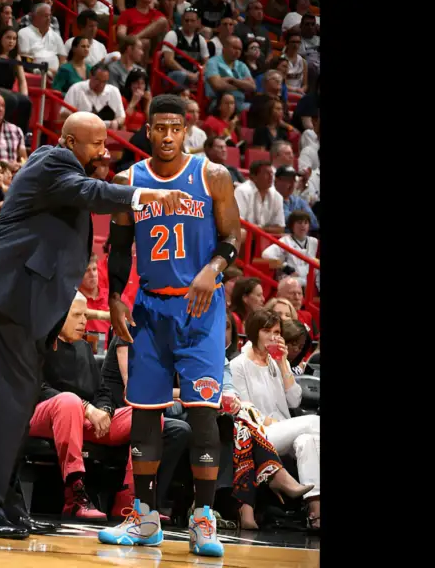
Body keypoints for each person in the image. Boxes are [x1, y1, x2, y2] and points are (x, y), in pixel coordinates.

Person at [0, 111, 192, 540]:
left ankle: (6, 505)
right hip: (7, 299)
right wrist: (147, 196)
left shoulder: (62, 172)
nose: (104, 151)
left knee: (14, 409)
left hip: (23, 307)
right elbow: (91, 192)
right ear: (69, 141)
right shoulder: (53, 162)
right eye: (95, 143)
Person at [99, 95, 242, 558]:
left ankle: (203, 520)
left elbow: (232, 239)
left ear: (186, 130)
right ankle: (145, 518)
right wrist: (116, 299)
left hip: (201, 311)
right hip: (150, 310)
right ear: (148, 131)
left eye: (174, 128)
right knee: (144, 415)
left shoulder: (212, 176)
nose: (166, 136)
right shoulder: (130, 180)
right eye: (158, 128)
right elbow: (118, 249)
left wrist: (214, 267)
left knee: (203, 414)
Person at [30, 294, 123, 520]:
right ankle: (75, 494)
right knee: (69, 401)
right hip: (41, 414)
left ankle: (131, 500)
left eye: (86, 315)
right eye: (77, 316)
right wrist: (87, 407)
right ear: (59, 316)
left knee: (145, 416)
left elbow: (102, 391)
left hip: (82, 419)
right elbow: (37, 388)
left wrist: (104, 411)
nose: (84, 321)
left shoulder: (83, 347)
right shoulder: (39, 342)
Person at [230, 308, 320, 530]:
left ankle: (315, 513)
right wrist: (281, 425)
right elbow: (247, 411)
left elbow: (295, 400)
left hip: (287, 430)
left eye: (277, 331)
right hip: (260, 434)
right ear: (253, 332)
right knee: (314, 422)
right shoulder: (239, 365)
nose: (273, 336)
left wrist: (283, 364)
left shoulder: (278, 361)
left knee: (307, 441)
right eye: (266, 330)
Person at [99, 333, 193, 518]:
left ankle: (154, 502)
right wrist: (183, 393)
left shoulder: (171, 340)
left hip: (148, 412)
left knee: (182, 430)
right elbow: (134, 386)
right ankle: (132, 499)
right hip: (116, 411)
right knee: (153, 420)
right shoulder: (129, 330)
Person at [0, 25, 33, 129]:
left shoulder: (16, 57)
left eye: (14, 39)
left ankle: (22, 133)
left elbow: (22, 81)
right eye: (8, 38)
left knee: (26, 102)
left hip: (8, 91)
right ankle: (2, 128)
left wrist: (24, 96)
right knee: (12, 99)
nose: (11, 41)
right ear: (1, 38)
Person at [261, 209, 318, 286]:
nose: (303, 225)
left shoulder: (314, 241)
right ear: (292, 225)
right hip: (290, 277)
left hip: (307, 276)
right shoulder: (285, 240)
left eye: (306, 223)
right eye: (299, 223)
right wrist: (286, 267)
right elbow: (266, 254)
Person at [61, 64, 127, 130]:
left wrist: (116, 122)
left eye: (104, 82)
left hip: (106, 132)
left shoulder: (114, 91)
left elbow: (121, 117)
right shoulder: (76, 88)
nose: (101, 85)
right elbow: (64, 113)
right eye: (97, 80)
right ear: (90, 76)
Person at [203, 35, 254, 114]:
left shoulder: (242, 65)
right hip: (219, 103)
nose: (237, 51)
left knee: (258, 108)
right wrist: (242, 86)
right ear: (224, 48)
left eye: (239, 49)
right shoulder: (212, 62)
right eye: (234, 48)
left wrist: (232, 80)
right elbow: (217, 85)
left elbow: (252, 86)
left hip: (239, 103)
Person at [162, 7, 209, 89]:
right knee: (181, 75)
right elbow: (168, 61)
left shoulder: (200, 40)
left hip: (194, 74)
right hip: (174, 74)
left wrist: (198, 74)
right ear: (182, 20)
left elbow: (207, 62)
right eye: (186, 20)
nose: (189, 23)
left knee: (210, 79)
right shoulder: (172, 35)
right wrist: (187, 73)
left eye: (192, 21)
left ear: (198, 22)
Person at [234, 160, 285, 234]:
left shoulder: (277, 196)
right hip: (244, 238)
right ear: (253, 177)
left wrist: (260, 229)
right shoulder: (242, 191)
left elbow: (280, 228)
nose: (271, 176)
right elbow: (237, 223)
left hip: (264, 239)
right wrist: (263, 230)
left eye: (272, 173)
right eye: (267, 173)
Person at [17, 2, 66, 77]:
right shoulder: (24, 33)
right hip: (33, 74)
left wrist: (59, 74)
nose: (49, 18)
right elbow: (25, 60)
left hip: (55, 76)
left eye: (50, 15)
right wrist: (48, 71)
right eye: (45, 16)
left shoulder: (56, 36)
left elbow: (63, 59)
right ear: (35, 17)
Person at [274, 165, 319, 233]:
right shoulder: (272, 200)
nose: (292, 184)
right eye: (288, 180)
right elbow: (286, 221)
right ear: (276, 181)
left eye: (294, 180)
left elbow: (314, 223)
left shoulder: (299, 201)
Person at [282, 30, 308, 95]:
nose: (295, 45)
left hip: (299, 92)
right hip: (285, 93)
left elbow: (305, 84)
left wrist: (302, 90)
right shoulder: (281, 60)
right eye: (293, 42)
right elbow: (281, 84)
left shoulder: (303, 61)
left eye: (298, 42)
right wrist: (296, 90)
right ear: (287, 43)